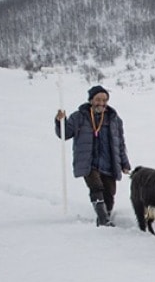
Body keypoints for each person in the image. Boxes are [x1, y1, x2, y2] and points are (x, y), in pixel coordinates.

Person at [54, 85, 131, 226]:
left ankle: (105, 216)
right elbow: (65, 134)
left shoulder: (114, 119)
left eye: (104, 100)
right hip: (88, 162)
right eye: (98, 99)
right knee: (96, 187)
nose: (101, 103)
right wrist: (60, 122)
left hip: (109, 161)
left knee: (110, 193)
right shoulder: (79, 117)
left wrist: (124, 164)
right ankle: (103, 220)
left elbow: (120, 143)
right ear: (91, 100)